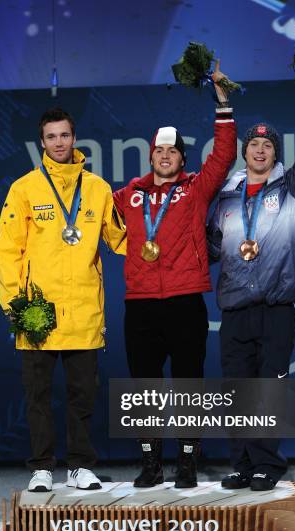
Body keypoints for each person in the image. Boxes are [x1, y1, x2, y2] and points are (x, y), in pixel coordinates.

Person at [207, 69, 295, 491]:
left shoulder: (294, 188)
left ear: (275, 153)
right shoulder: (225, 198)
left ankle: (266, 463)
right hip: (234, 312)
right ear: (244, 152)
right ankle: (242, 464)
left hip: (276, 309)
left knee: (268, 390)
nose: (260, 150)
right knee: (236, 391)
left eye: (268, 145)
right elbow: (208, 249)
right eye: (254, 144)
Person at [113, 62, 237, 489]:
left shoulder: (195, 189)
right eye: (158, 151)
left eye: (173, 152)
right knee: (144, 388)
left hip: (186, 300)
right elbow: (88, 205)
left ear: (182, 158)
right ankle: (151, 464)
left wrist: (222, 102)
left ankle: (187, 462)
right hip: (142, 303)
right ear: (150, 156)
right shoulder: (128, 196)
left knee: (188, 384)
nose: (165, 157)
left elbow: (223, 156)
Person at [0, 108, 126, 492]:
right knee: (37, 396)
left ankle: (81, 466)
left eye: (64, 135)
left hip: (84, 309)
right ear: (42, 143)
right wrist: (16, 306)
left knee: (82, 396)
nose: (59, 143)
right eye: (51, 137)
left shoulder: (98, 189)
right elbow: (8, 250)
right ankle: (41, 467)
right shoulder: (24, 189)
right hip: (37, 312)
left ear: (74, 138)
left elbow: (121, 241)